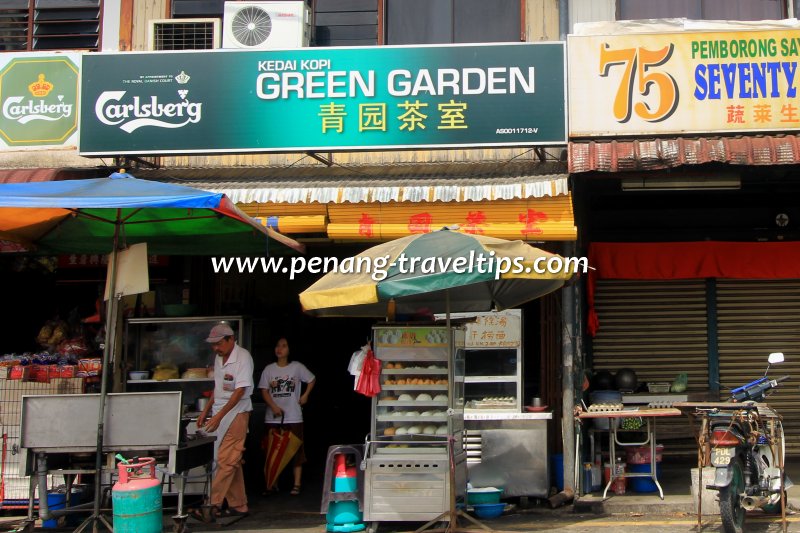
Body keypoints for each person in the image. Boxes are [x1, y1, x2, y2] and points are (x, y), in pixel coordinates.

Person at [193, 322, 253, 522]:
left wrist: (218, 416)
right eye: (213, 345)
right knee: (229, 459)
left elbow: (240, 391)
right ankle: (239, 504)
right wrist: (207, 410)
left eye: (218, 343)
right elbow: (218, 388)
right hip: (220, 409)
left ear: (230, 340)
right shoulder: (219, 358)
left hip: (237, 411)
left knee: (226, 460)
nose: (215, 348)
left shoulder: (243, 357)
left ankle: (212, 504)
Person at [258, 336, 316, 496]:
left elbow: (311, 379)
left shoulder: (297, 367)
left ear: (290, 350)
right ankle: (272, 483)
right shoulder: (269, 370)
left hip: (293, 416)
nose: (280, 348)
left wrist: (305, 395)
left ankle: (296, 484)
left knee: (296, 451)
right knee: (272, 451)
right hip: (273, 417)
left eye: (284, 346)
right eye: (277, 345)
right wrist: (274, 406)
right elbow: (263, 391)